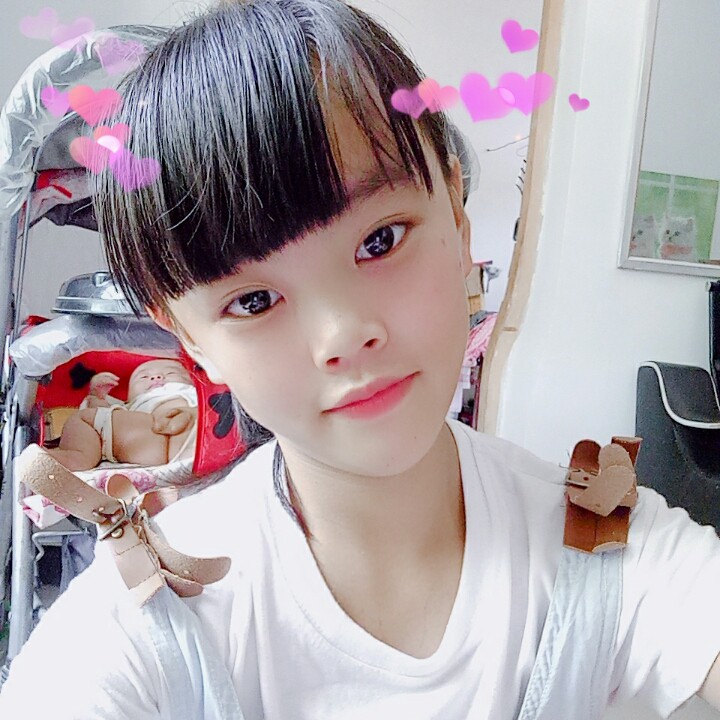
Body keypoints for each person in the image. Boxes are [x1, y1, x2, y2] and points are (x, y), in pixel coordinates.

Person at [1, 0, 719, 717]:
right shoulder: (140, 624)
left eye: (381, 241)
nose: (343, 335)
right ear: (190, 339)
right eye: (253, 301)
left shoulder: (610, 550)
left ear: (457, 215)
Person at [46, 358, 198, 470]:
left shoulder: (193, 392)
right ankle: (76, 459)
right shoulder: (128, 406)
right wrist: (96, 396)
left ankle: (78, 457)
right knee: (86, 418)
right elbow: (101, 415)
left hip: (193, 427)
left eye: (171, 372)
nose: (156, 377)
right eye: (143, 377)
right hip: (145, 436)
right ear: (130, 395)